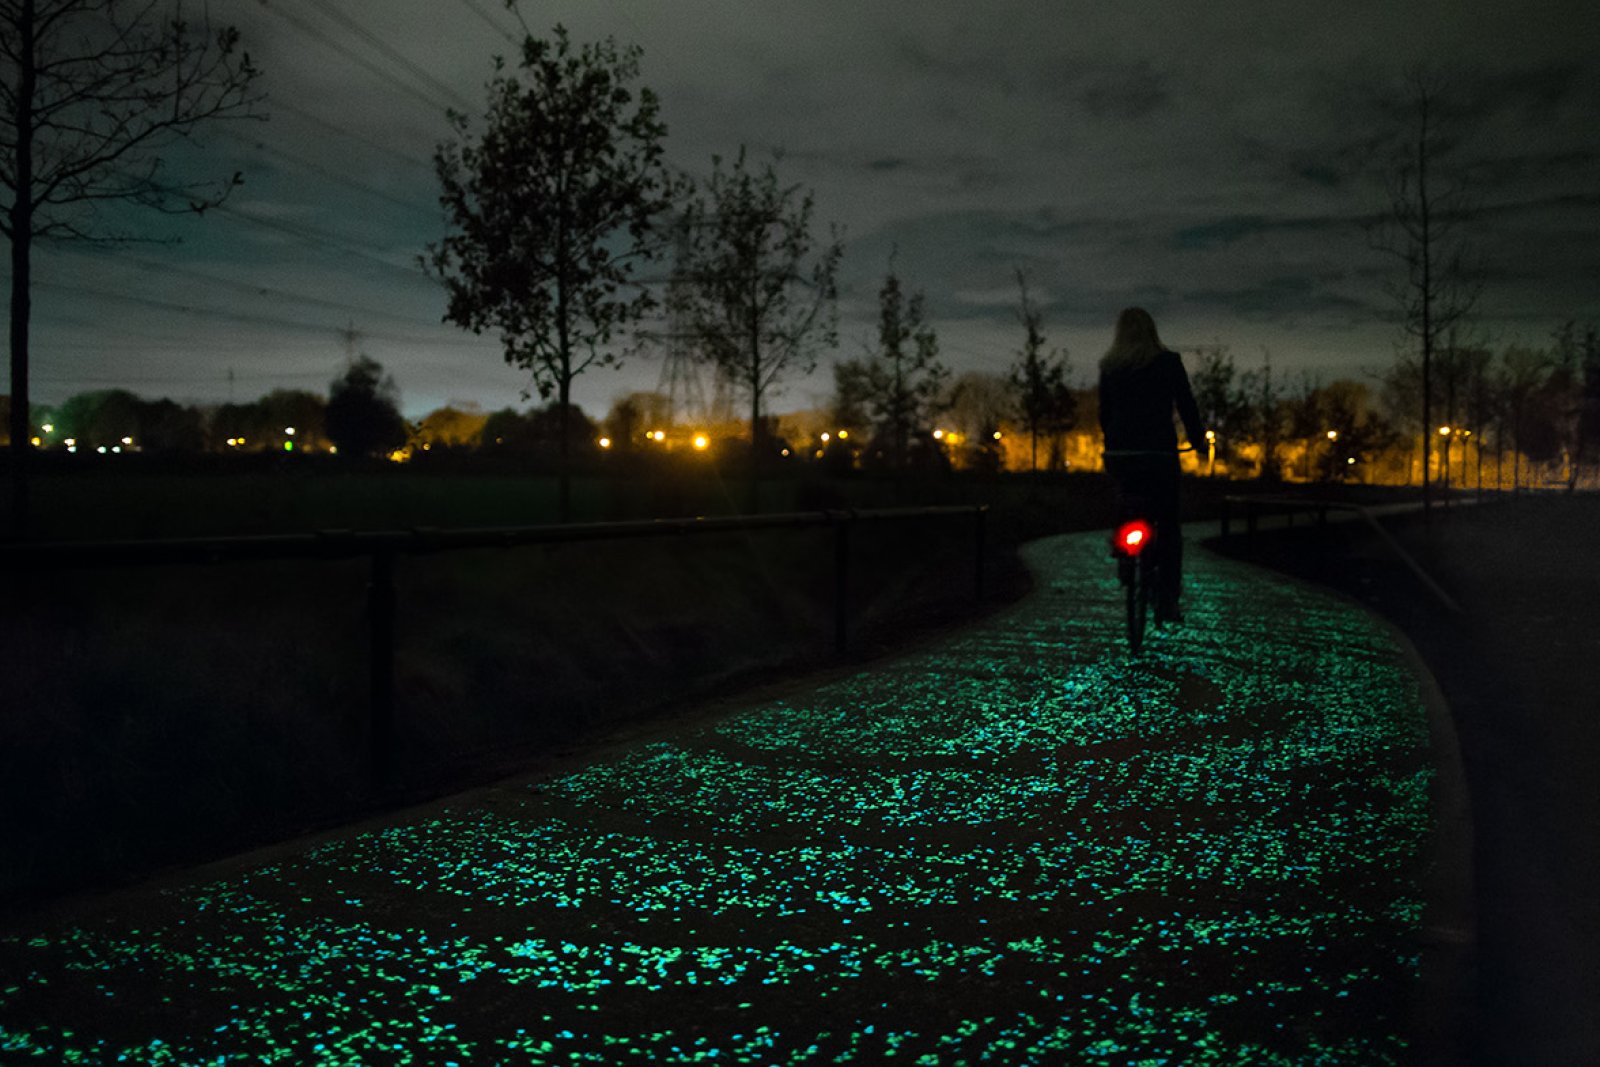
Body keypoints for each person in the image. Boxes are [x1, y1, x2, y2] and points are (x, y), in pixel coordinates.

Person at [1098, 307, 1206, 623]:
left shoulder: (1110, 367)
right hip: (1159, 453)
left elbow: (1104, 413)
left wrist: (1114, 442)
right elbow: (1186, 404)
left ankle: (1122, 548)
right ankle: (1168, 600)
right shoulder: (1168, 363)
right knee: (1169, 524)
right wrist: (1197, 440)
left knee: (1125, 495)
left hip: (1121, 453)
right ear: (1152, 331)